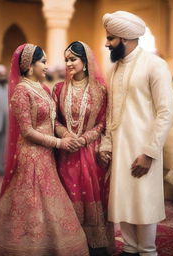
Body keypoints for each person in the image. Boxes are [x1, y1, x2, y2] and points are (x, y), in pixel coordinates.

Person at [0, 43, 89, 256]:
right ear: (30, 65)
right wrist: (58, 143)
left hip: (46, 152)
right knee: (33, 200)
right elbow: (27, 131)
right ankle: (27, 245)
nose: (47, 66)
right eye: (43, 62)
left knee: (45, 198)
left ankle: (46, 242)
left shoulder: (44, 88)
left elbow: (52, 120)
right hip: (32, 153)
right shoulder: (21, 91)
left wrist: (65, 135)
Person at [99, 11, 173, 256]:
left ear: (126, 38)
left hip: (144, 148)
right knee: (124, 199)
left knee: (143, 201)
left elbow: (165, 112)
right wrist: (107, 144)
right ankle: (130, 248)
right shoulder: (115, 69)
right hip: (120, 147)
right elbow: (111, 111)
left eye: (111, 38)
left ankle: (148, 251)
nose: (106, 43)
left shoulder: (155, 65)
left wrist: (150, 153)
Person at [53, 41, 111, 255]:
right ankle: (69, 243)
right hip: (66, 152)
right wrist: (66, 135)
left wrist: (85, 138)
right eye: (66, 59)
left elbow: (103, 122)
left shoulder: (101, 91)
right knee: (68, 195)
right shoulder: (58, 89)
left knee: (90, 195)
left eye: (73, 59)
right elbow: (54, 121)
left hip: (90, 152)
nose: (68, 63)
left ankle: (92, 245)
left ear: (85, 62)